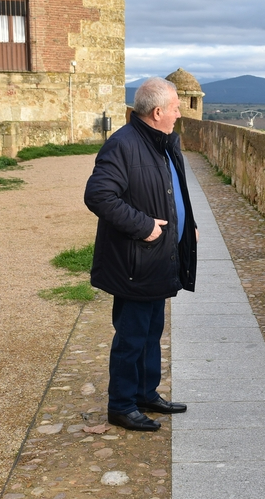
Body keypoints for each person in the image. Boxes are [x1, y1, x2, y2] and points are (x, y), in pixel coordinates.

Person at [84, 77, 198, 432]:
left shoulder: (163, 142)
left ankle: (145, 393)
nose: (180, 113)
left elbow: (172, 189)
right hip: (136, 260)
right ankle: (120, 405)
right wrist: (145, 225)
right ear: (159, 111)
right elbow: (99, 196)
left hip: (158, 259)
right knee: (132, 336)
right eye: (177, 107)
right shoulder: (123, 145)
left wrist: (187, 222)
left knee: (152, 330)